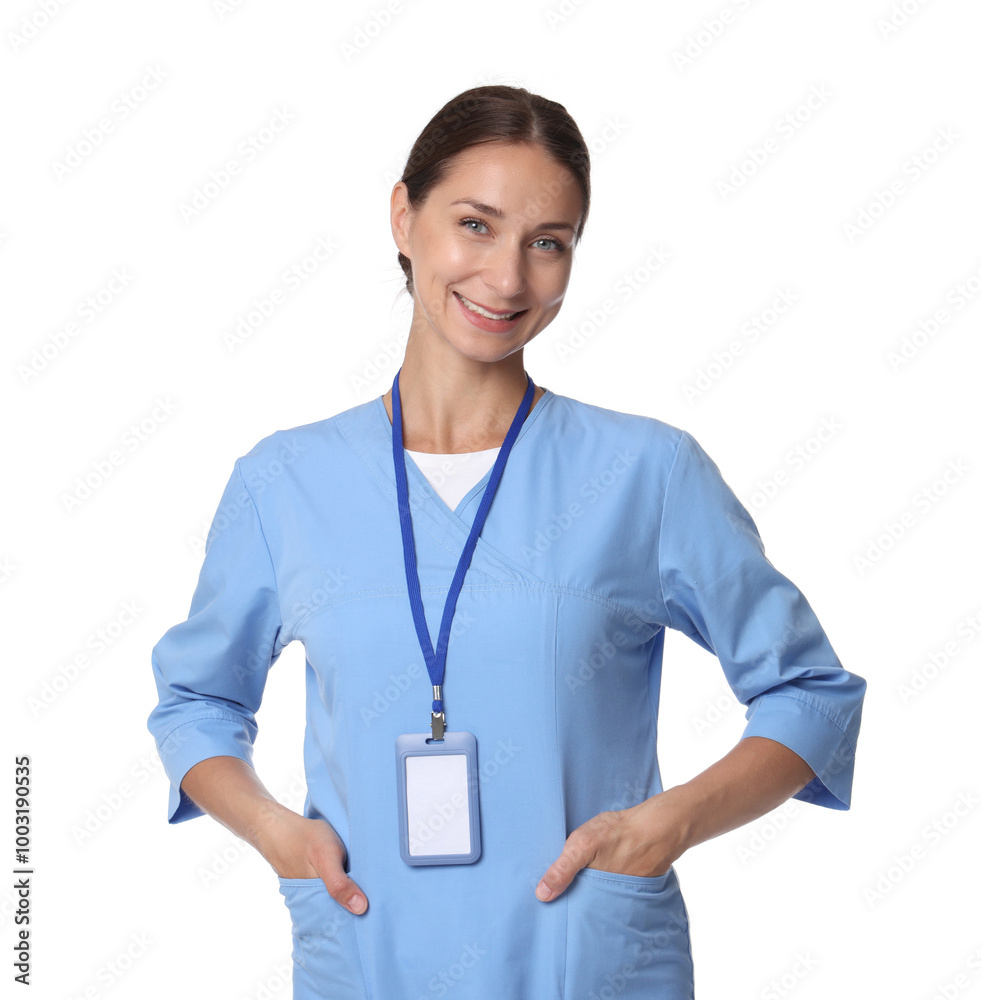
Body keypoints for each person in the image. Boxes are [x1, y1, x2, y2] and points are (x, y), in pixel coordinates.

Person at [147, 85, 867, 999]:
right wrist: (276, 833)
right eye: (475, 225)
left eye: (548, 243)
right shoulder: (283, 483)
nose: (508, 279)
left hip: (589, 960)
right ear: (403, 216)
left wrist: (667, 825)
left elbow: (809, 693)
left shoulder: (645, 473)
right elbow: (196, 702)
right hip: (369, 955)